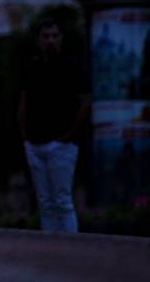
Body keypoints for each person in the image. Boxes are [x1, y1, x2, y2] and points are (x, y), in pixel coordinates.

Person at [18, 19, 89, 232]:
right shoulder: (32, 67)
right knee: (46, 203)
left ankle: (70, 250)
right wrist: (25, 138)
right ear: (39, 40)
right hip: (35, 143)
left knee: (62, 201)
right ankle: (50, 250)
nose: (50, 40)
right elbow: (23, 101)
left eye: (54, 35)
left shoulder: (73, 67)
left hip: (62, 144)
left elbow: (86, 102)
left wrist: (67, 136)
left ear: (61, 39)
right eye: (46, 36)